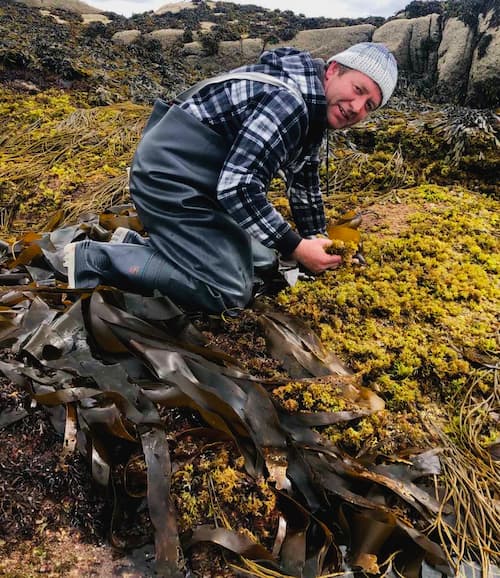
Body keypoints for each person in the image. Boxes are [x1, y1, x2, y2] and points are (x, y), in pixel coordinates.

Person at [64, 42, 397, 313]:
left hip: (203, 180)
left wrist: (317, 239)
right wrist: (296, 246)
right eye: (358, 90)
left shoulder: (312, 112)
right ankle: (94, 259)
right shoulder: (289, 101)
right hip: (168, 176)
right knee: (228, 291)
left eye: (370, 105)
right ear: (334, 70)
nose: (357, 107)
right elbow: (239, 188)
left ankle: (133, 246)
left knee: (264, 259)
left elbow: (304, 184)